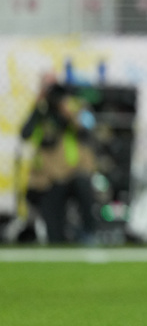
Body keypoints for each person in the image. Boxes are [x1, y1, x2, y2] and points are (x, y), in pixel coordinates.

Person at [20, 74, 97, 244]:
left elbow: (89, 126)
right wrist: (38, 106)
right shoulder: (42, 113)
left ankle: (89, 233)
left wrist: (69, 113)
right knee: (55, 234)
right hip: (50, 179)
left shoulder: (75, 106)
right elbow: (25, 134)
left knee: (84, 186)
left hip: (74, 173)